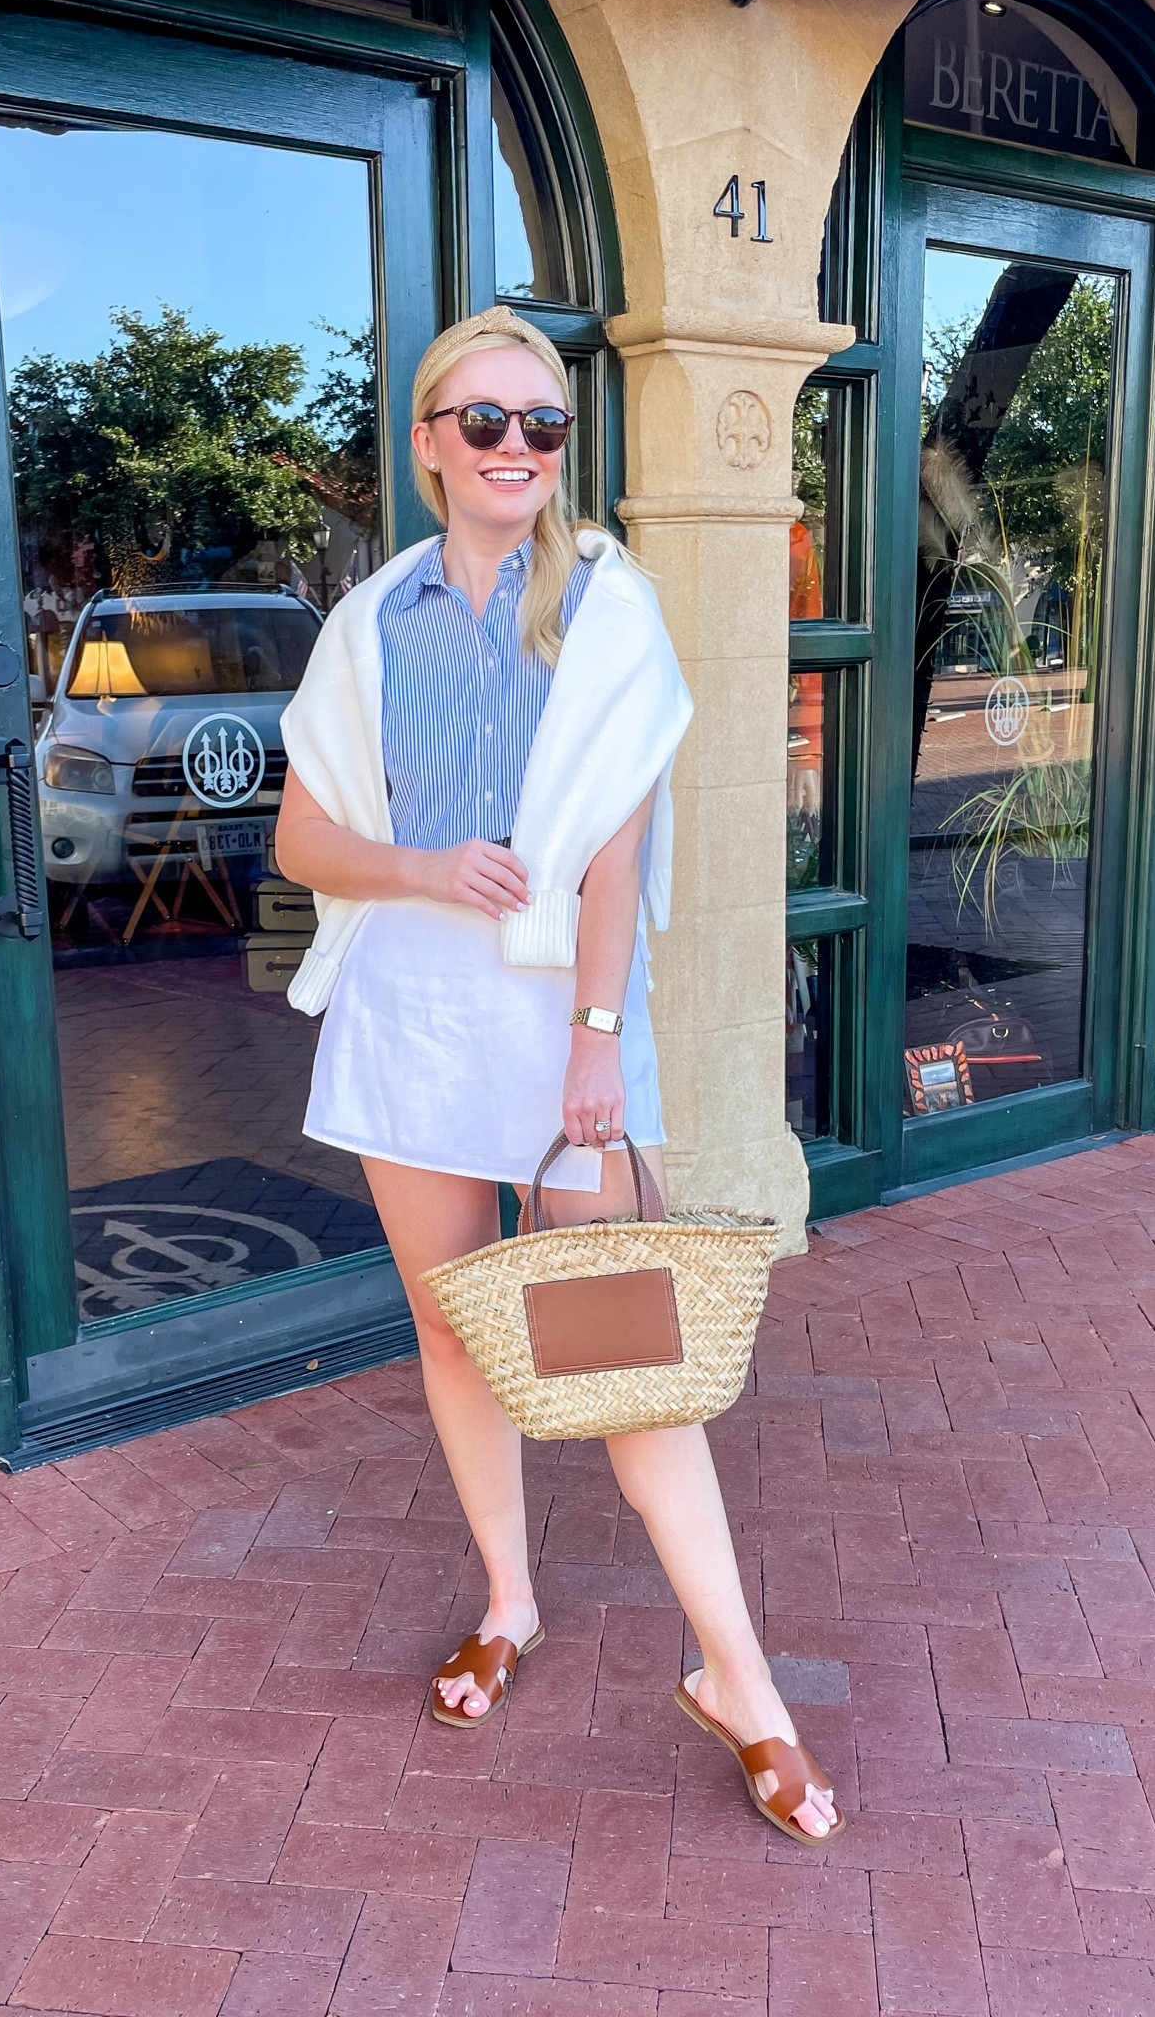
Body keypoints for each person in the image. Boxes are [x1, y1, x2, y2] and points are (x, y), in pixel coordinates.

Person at [272, 306, 841, 1840]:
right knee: (457, 1338)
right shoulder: (371, 618)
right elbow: (301, 840)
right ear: (428, 444)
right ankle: (511, 1603)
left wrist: (598, 1047)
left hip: (563, 1026)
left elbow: (613, 849)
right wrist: (417, 865)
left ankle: (745, 1683)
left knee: (624, 1361)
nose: (518, 447)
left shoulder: (609, 604)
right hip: (410, 1008)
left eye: (544, 425)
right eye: (486, 422)